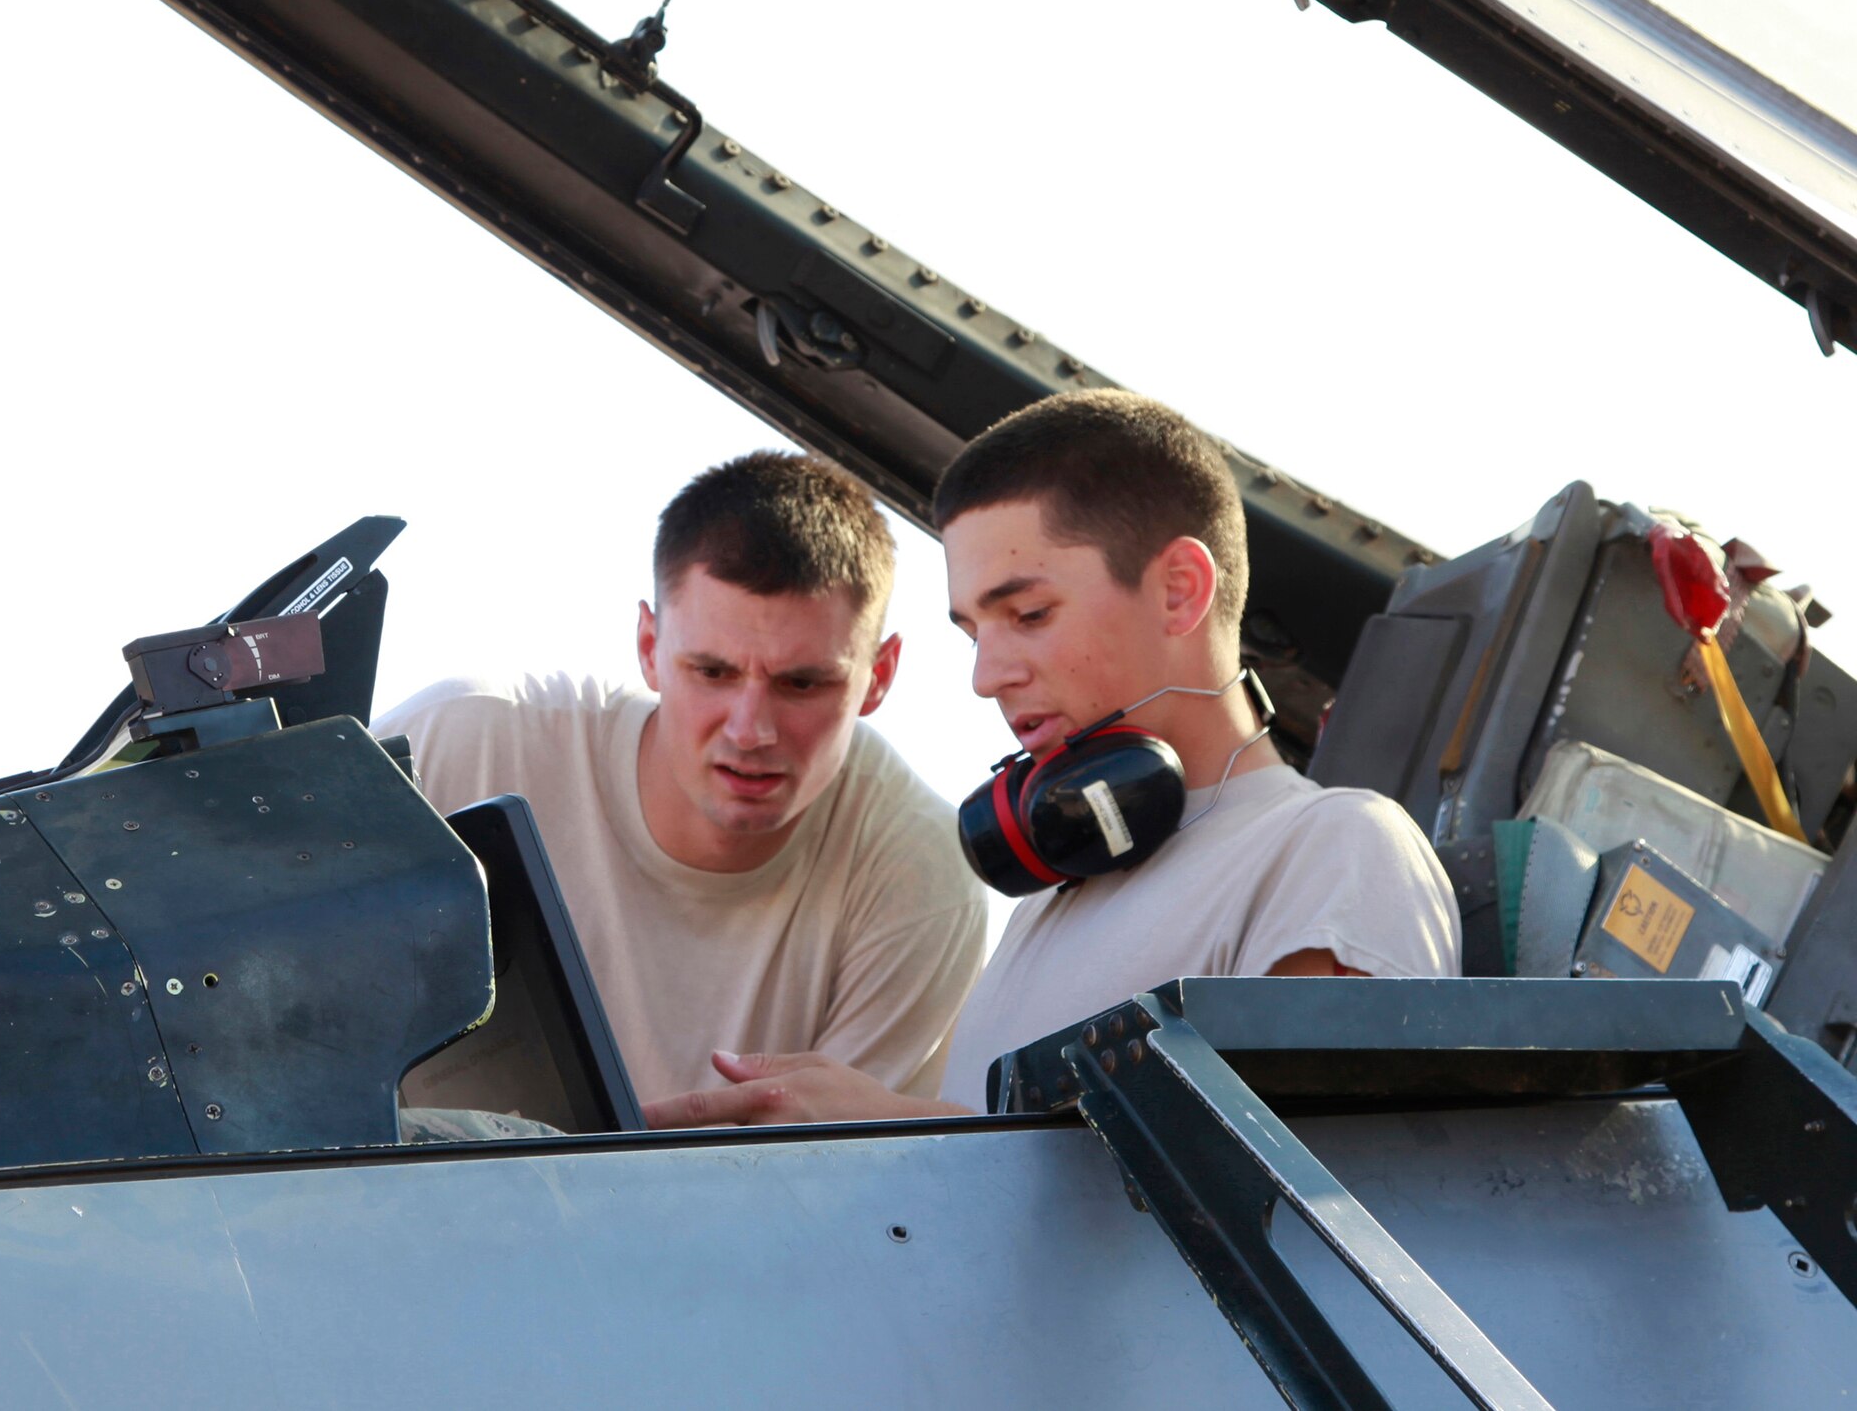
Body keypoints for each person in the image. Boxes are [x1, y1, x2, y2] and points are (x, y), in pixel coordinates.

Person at [642, 391, 1462, 1128]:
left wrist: (903, 1137)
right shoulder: (1052, 900)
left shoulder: (1334, 851)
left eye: (1028, 614)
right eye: (972, 630)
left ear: (1179, 588)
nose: (985, 675)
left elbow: (1299, 1232)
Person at [373, 453, 986, 1103]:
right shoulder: (459, 740)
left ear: (880, 675)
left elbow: (835, 1185)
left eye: (801, 682)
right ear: (648, 647)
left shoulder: (922, 871)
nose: (750, 729)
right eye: (713, 672)